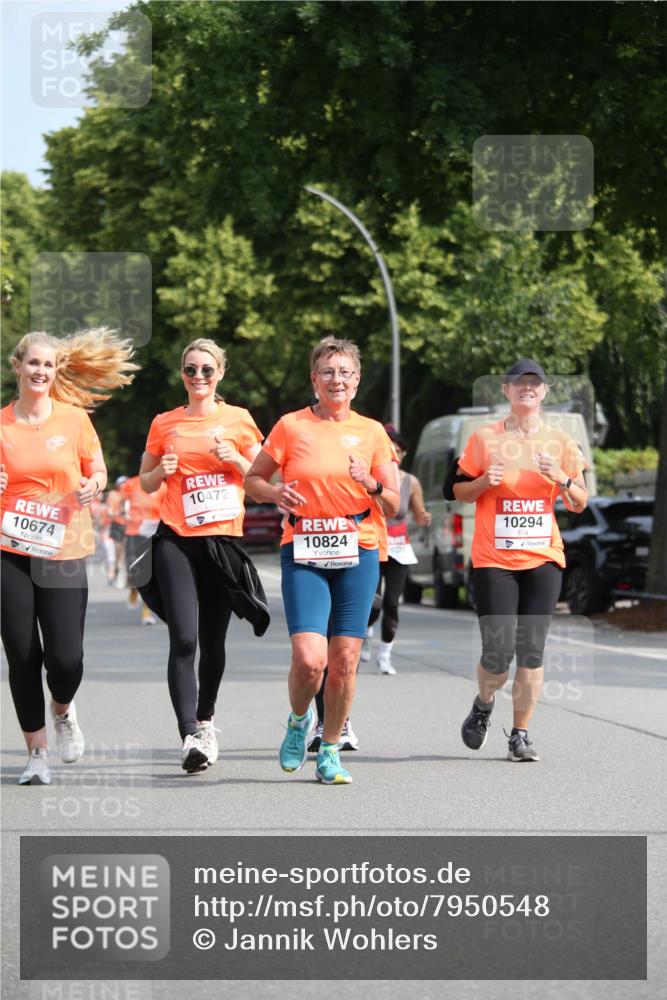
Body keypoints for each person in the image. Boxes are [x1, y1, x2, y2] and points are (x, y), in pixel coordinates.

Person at [245, 336, 400, 785]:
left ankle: (330, 748)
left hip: (358, 549)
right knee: (311, 660)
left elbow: (392, 503)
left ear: (357, 381)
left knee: (345, 659)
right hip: (305, 548)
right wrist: (275, 493)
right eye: (328, 372)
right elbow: (254, 478)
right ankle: (298, 722)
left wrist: (370, 483)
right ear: (314, 380)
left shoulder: (372, 433)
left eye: (345, 372)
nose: (337, 380)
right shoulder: (291, 426)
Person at [0, 328, 137, 785]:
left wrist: (93, 485)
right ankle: (36, 754)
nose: (40, 371)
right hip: (11, 549)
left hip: (64, 548)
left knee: (65, 659)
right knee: (22, 654)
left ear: (56, 371)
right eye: (33, 363)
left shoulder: (75, 421)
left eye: (48, 364)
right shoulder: (1, 424)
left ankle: (62, 708)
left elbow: (96, 469)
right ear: (17, 366)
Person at [139, 338, 267, 773]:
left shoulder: (239, 420)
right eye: (191, 370)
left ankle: (207, 719)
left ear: (220, 374)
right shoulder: (165, 423)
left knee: (213, 644)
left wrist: (237, 460)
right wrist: (161, 471)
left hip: (222, 545)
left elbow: (263, 482)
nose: (198, 377)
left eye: (206, 370)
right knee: (184, 639)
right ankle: (190, 733)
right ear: (182, 374)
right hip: (176, 539)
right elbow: (145, 482)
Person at [453, 359, 588, 761]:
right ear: (506, 391)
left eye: (535, 383)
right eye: (518, 383)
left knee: (532, 650)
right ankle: (483, 703)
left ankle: (520, 734)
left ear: (545, 391)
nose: (527, 389)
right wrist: (482, 482)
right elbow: (458, 491)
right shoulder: (484, 438)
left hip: (543, 557)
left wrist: (560, 479)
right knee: (498, 654)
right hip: (494, 559)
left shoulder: (561, 442)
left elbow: (579, 502)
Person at [361, 424, 432, 675]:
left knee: (391, 602)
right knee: (373, 603)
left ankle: (385, 655)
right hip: (372, 543)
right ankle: (365, 634)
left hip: (399, 548)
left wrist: (423, 517)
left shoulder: (411, 482)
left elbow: (417, 512)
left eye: (400, 451)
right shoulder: (367, 477)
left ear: (403, 455)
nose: (396, 455)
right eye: (391, 450)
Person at [121, 470, 166, 624]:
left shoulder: (163, 486)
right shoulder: (131, 483)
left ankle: (146, 613)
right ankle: (133, 590)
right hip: (134, 531)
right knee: (134, 570)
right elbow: (122, 504)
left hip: (153, 531)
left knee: (148, 572)